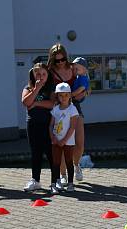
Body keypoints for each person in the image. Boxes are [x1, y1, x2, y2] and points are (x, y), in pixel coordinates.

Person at [48, 44, 88, 182]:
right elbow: (50, 93)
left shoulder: (73, 67)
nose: (60, 63)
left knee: (79, 143)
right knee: (63, 143)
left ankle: (76, 165)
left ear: (66, 57)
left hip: (74, 106)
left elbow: (85, 82)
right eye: (57, 60)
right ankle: (63, 174)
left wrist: (86, 92)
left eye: (62, 59)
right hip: (59, 108)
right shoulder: (51, 72)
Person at [21, 63, 55, 192]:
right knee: (36, 152)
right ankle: (35, 180)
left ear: (48, 75)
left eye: (43, 74)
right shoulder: (28, 88)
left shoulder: (51, 88)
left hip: (48, 125)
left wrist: (36, 103)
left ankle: (54, 181)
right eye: (38, 74)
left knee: (51, 153)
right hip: (33, 124)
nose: (41, 77)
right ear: (33, 75)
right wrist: (36, 89)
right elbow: (25, 102)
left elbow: (52, 103)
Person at [49, 83, 79, 194]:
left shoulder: (72, 109)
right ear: (57, 96)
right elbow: (51, 125)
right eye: (61, 95)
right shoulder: (55, 109)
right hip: (56, 140)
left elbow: (72, 127)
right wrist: (53, 137)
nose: (64, 98)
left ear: (70, 95)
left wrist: (64, 140)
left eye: (66, 95)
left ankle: (70, 183)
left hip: (68, 141)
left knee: (68, 161)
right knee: (55, 162)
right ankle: (55, 183)